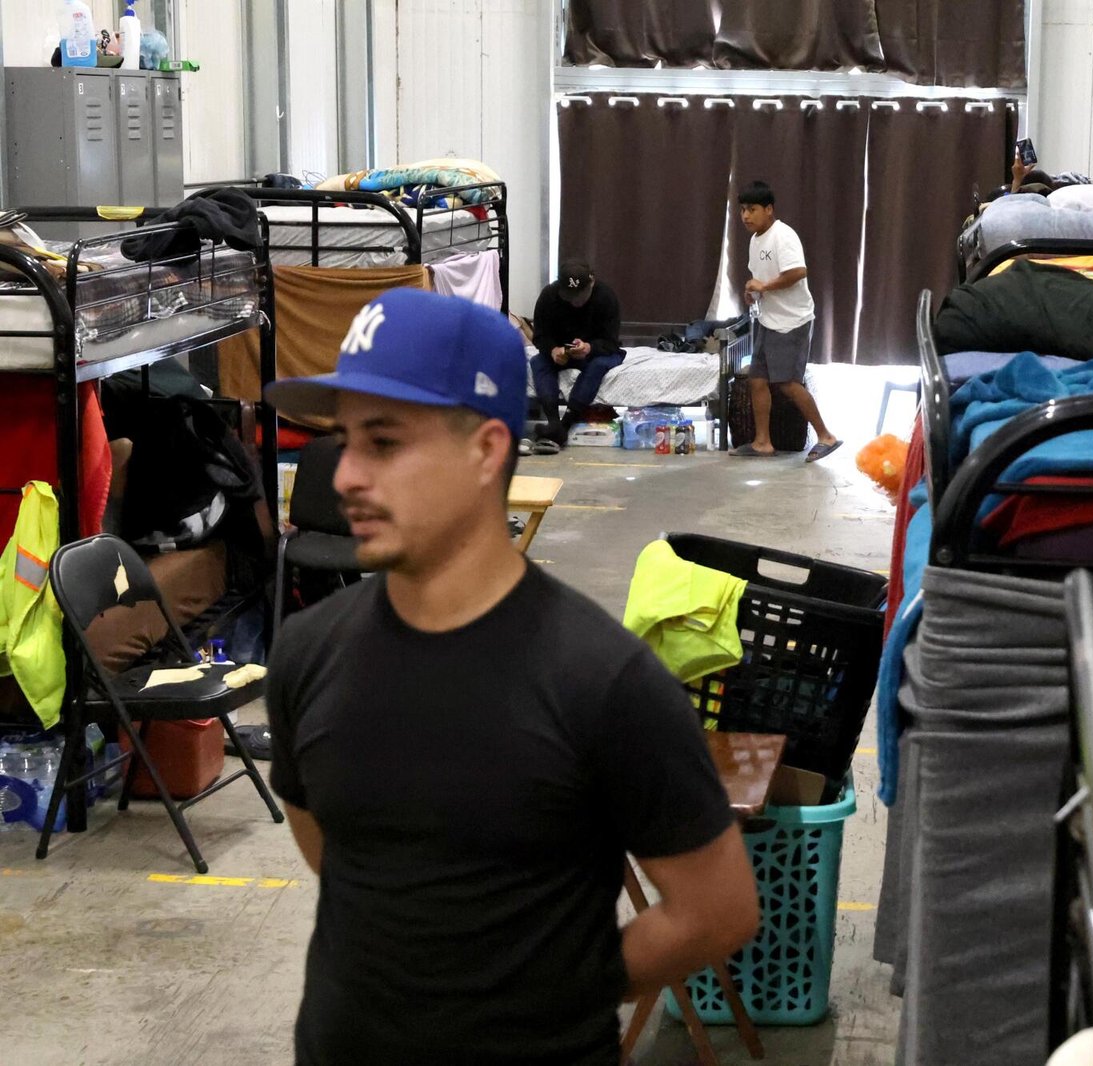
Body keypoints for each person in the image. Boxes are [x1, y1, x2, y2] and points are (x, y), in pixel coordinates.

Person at [261, 288, 760, 1066]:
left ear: (487, 450)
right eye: (345, 440)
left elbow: (717, 909)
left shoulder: (602, 683)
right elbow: (335, 855)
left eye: (384, 442)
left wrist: (556, 992)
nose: (346, 475)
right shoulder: (307, 652)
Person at [732, 180, 842, 462]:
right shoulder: (755, 241)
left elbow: (797, 272)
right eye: (743, 209)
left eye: (752, 209)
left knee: (788, 384)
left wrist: (764, 288)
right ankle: (762, 442)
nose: (746, 215)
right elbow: (761, 280)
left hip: (793, 321)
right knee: (757, 380)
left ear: (769, 209)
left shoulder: (783, 236)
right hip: (768, 320)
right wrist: (754, 295)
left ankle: (826, 436)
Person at [528, 259, 625, 453]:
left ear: (592, 283)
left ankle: (565, 424)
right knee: (539, 362)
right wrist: (553, 350)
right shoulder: (549, 296)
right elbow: (539, 336)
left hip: (594, 351)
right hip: (561, 351)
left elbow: (611, 342)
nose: (576, 301)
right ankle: (553, 421)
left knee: (597, 366)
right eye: (570, 296)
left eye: (580, 295)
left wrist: (590, 347)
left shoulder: (606, 298)